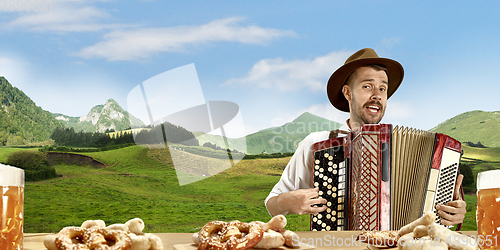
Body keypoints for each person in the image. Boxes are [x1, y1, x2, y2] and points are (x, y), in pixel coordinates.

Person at [265, 48, 466, 226]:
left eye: (383, 88)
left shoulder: (422, 149)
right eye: (367, 86)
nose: (377, 95)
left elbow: (440, 222)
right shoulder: (317, 144)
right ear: (347, 93)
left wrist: (452, 215)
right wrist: (288, 202)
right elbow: (272, 203)